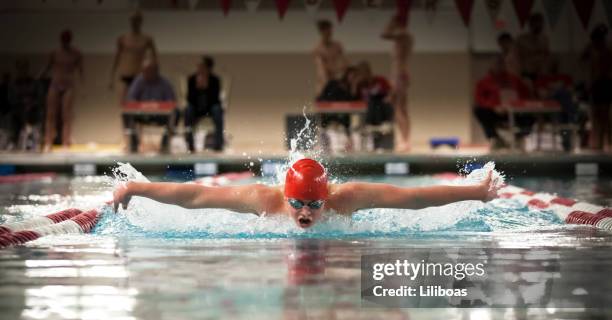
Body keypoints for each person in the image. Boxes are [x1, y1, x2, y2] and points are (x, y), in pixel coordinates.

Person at [113, 158, 501, 229]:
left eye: (313, 204)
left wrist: (474, 192)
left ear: (326, 196)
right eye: (297, 203)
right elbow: (195, 197)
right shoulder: (266, 200)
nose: (304, 212)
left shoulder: (346, 198)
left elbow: (413, 199)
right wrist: (135, 187)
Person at [473, 61, 533, 150]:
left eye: (501, 64)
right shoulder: (484, 82)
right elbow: (479, 99)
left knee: (531, 114)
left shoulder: (514, 80)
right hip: (495, 111)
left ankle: (520, 137)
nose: (499, 67)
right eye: (496, 64)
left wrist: (517, 105)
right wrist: (493, 107)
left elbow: (525, 95)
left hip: (515, 111)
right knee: (479, 110)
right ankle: (495, 138)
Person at [41, 29, 84, 152]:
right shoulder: (55, 53)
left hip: (68, 86)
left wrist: (82, 88)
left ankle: (66, 143)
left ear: (70, 40)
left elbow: (81, 72)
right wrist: (39, 77)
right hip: (55, 84)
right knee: (50, 115)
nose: (65, 42)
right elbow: (47, 67)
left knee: (66, 115)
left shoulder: (76, 53)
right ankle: (48, 142)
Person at [123, 60, 177, 153]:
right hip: (142, 115)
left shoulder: (164, 82)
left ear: (156, 71)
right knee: (126, 115)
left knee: (176, 113)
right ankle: (134, 145)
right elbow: (130, 98)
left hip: (160, 116)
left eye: (151, 71)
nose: (148, 73)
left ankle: (165, 145)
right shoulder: (138, 81)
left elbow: (171, 101)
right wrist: (141, 105)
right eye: (145, 71)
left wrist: (158, 106)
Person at [109, 11, 158, 101]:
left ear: (141, 21)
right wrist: (111, 78)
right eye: (132, 20)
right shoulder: (122, 38)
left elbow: (155, 58)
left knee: (141, 103)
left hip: (141, 75)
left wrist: (156, 77)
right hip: (126, 74)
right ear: (130, 21)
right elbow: (117, 58)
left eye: (137, 20)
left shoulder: (147, 39)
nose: (134, 22)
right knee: (124, 102)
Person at [381, 14, 413, 152]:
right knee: (402, 109)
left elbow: (384, 34)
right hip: (400, 75)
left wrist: (391, 21)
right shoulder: (402, 37)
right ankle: (405, 140)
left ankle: (405, 140)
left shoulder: (403, 35)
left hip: (400, 76)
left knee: (398, 108)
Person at [581, 24, 612, 151]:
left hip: (604, 84)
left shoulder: (608, 51)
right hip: (596, 85)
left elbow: (605, 70)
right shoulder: (591, 50)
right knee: (596, 115)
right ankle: (598, 142)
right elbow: (583, 61)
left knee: (604, 115)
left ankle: (607, 142)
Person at [184, 56, 224, 152]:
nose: (199, 69)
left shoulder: (215, 80)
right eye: (198, 66)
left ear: (208, 68)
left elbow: (216, 99)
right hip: (196, 109)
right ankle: (190, 144)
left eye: (202, 66)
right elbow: (189, 99)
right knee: (188, 110)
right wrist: (197, 88)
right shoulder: (192, 79)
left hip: (210, 109)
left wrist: (206, 88)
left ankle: (218, 144)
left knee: (217, 110)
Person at [9, 59, 42, 151]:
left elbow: (40, 98)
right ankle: (15, 142)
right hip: (18, 114)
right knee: (15, 117)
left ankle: (34, 142)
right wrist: (22, 103)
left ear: (27, 68)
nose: (22, 70)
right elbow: (11, 100)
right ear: (17, 69)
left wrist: (31, 104)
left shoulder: (34, 83)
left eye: (24, 68)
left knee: (34, 117)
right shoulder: (13, 84)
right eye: (20, 68)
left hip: (33, 113)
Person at [313, 20, 348, 96]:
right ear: (321, 32)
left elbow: (345, 63)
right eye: (327, 31)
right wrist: (328, 84)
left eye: (330, 31)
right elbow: (321, 70)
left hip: (338, 80)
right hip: (324, 83)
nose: (329, 33)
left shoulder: (337, 46)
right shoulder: (318, 49)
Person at [516, 13, 550, 83]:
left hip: (541, 73)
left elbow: (546, 56)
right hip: (527, 72)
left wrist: (546, 69)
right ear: (531, 24)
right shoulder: (522, 39)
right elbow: (517, 57)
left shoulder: (545, 39)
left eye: (541, 23)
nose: (539, 25)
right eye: (536, 23)